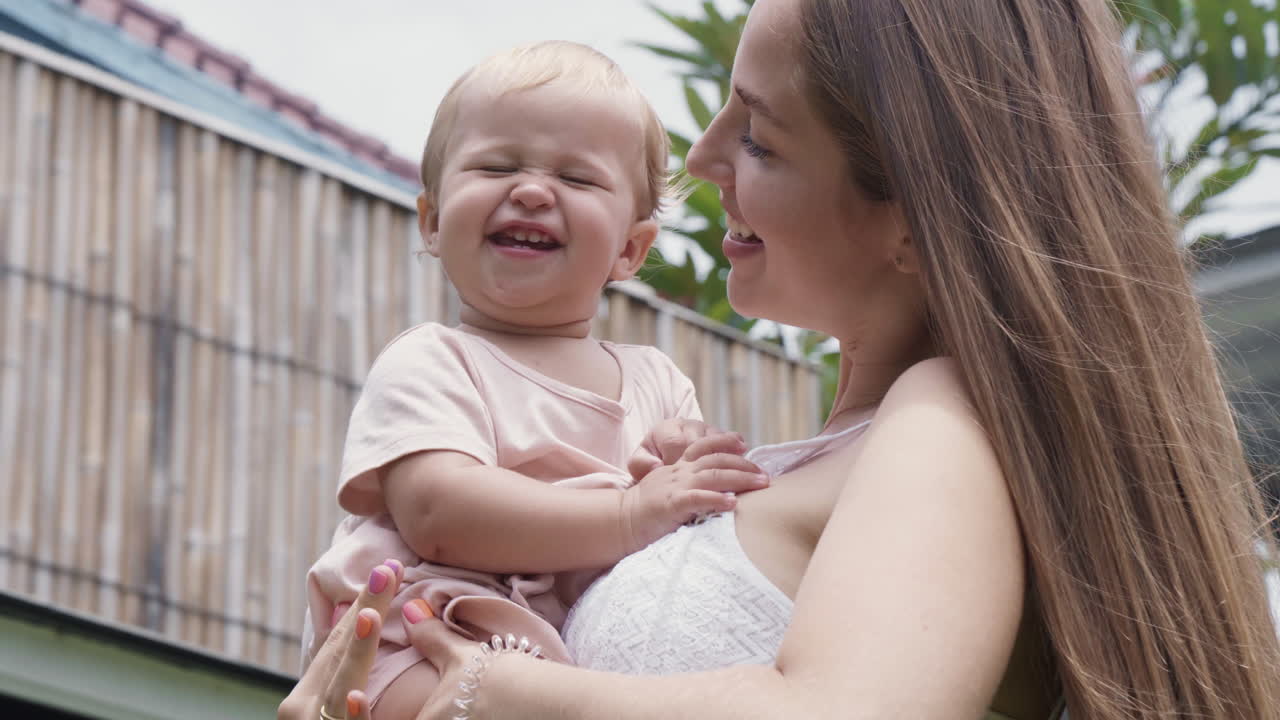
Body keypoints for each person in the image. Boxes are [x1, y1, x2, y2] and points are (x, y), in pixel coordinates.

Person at [281, 0, 1280, 718]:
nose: (702, 160)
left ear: (909, 214)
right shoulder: (850, 447)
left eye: (755, 137)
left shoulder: (942, 421)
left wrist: (478, 686)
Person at [299, 41, 768, 720]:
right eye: (495, 165)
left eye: (577, 179)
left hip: (570, 659)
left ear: (630, 250)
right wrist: (632, 512)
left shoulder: (658, 382)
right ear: (432, 220)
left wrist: (682, 463)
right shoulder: (431, 360)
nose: (530, 190)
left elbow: (686, 526)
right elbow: (440, 515)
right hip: (419, 635)